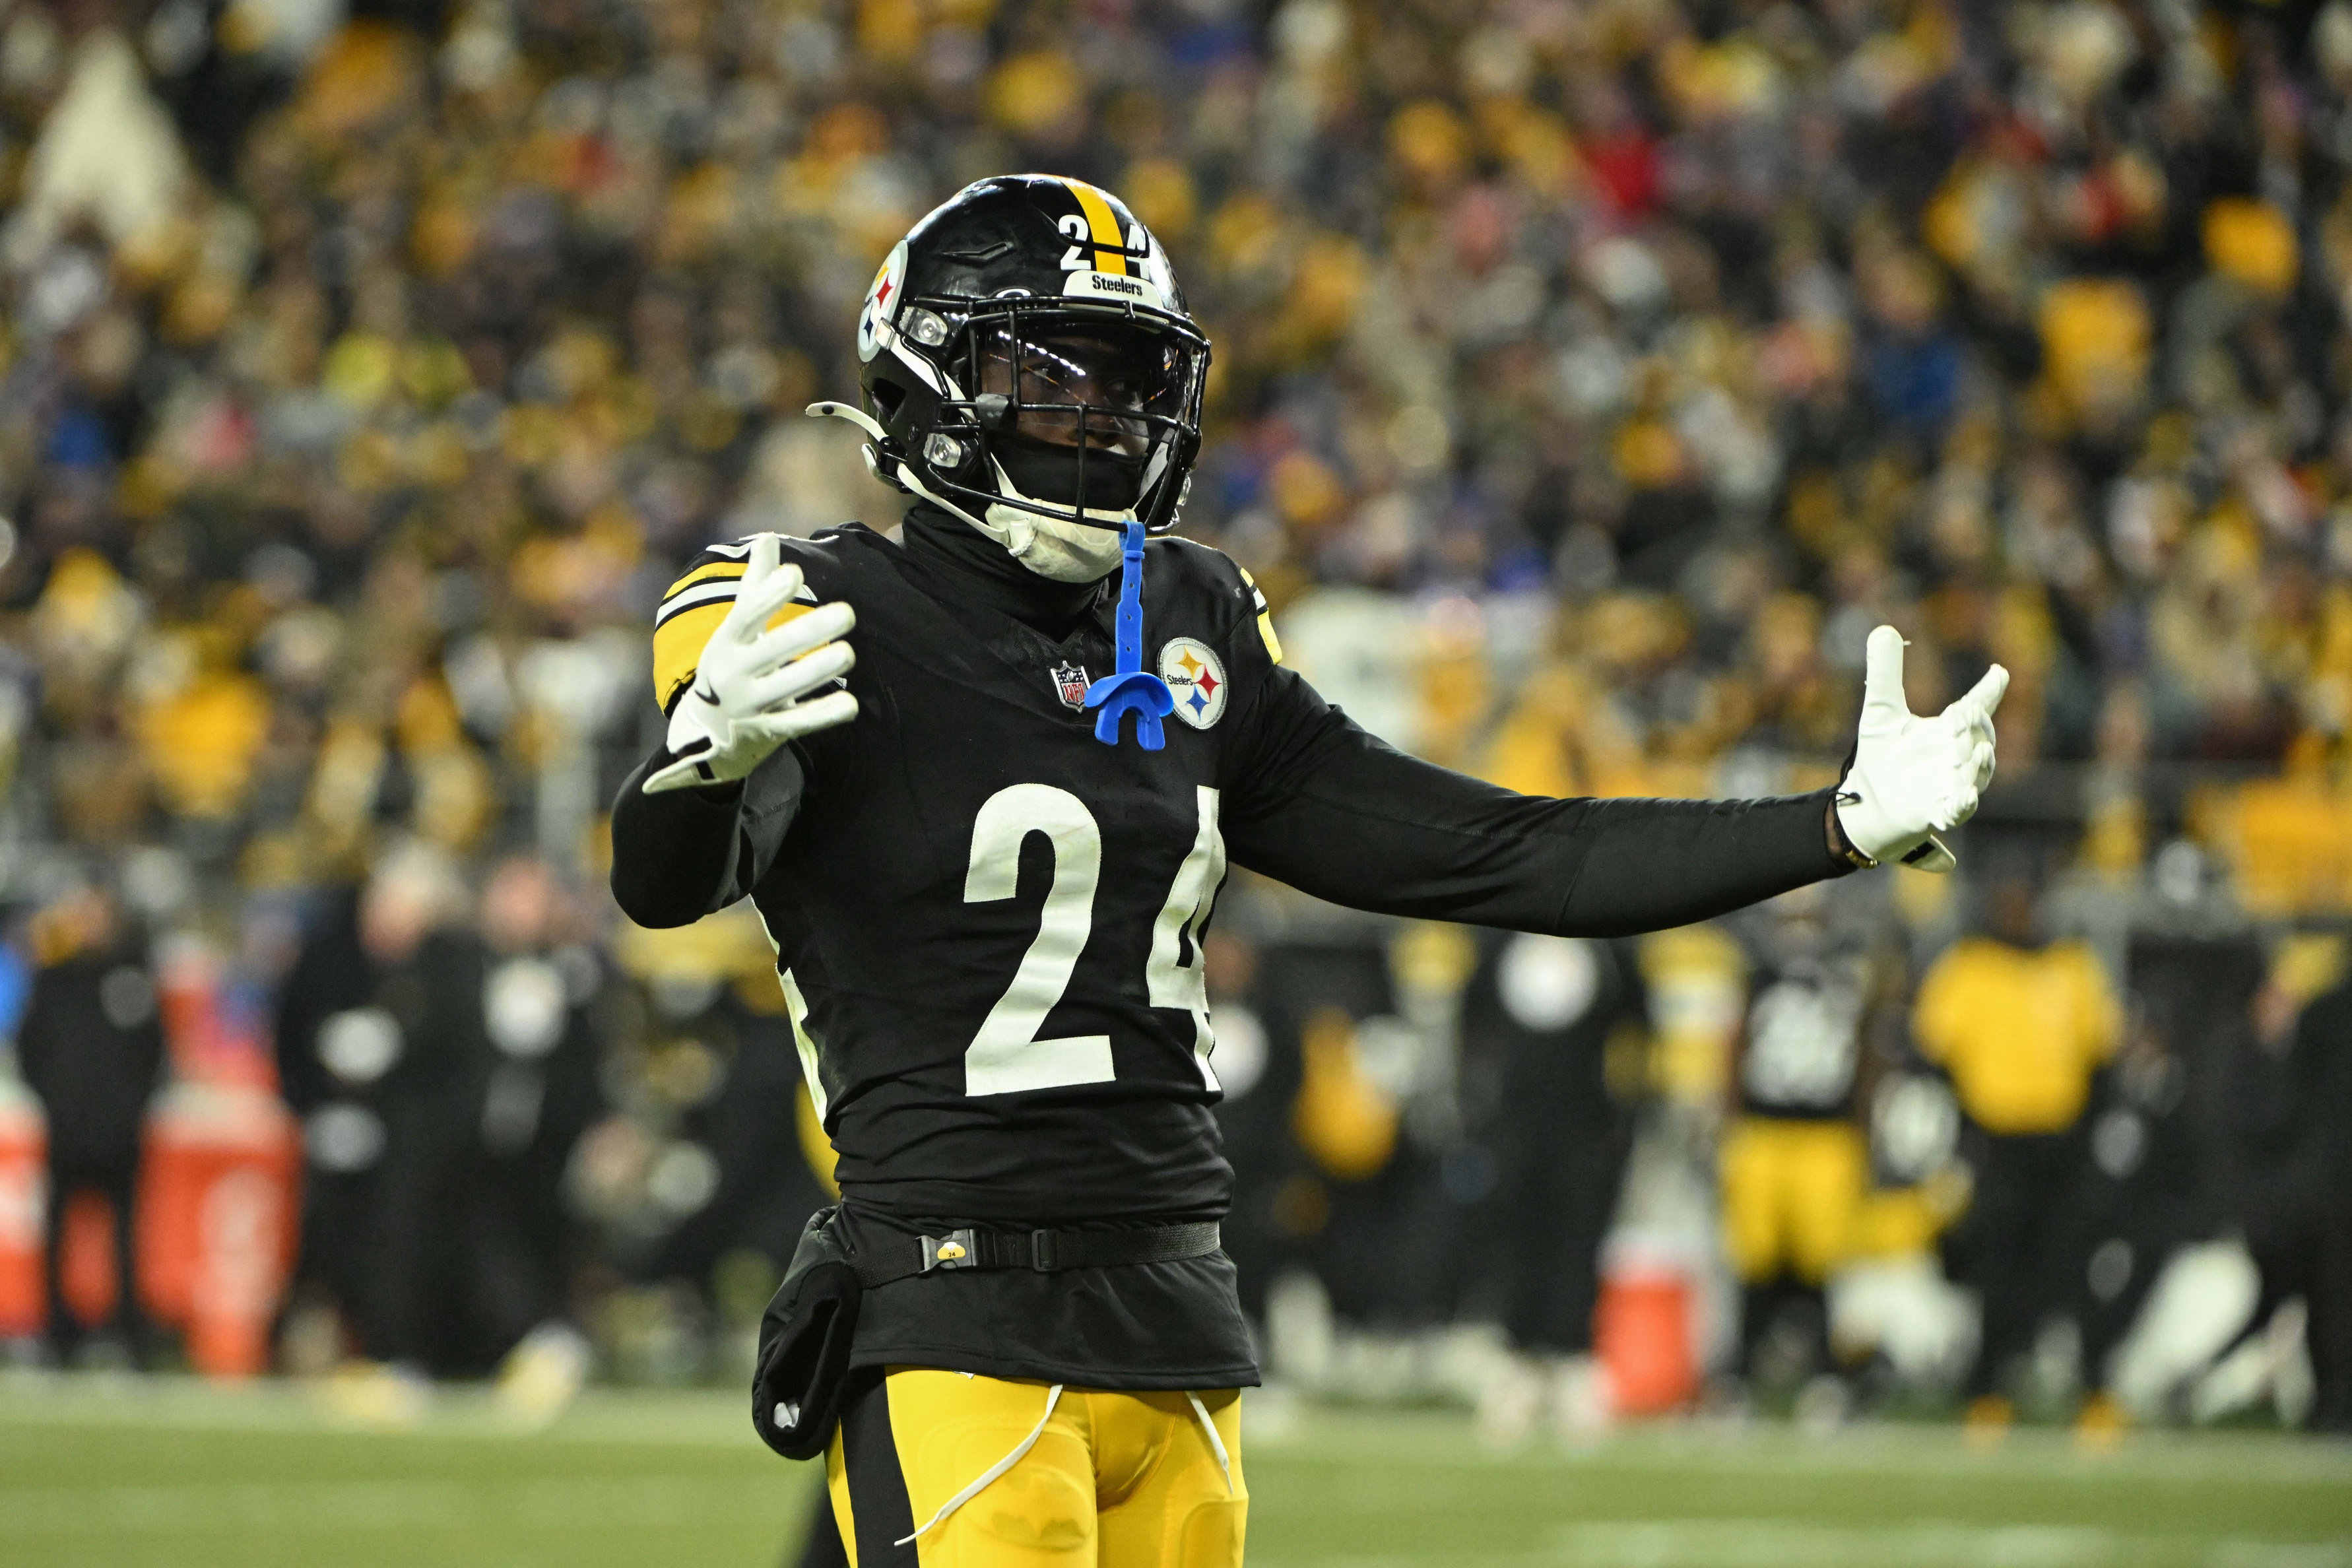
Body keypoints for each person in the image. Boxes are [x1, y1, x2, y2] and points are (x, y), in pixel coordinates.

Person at [608, 174, 2008, 1567]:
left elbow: (1504, 853)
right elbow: (665, 883)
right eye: (1056, 383)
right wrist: (701, 760)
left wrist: (1829, 827)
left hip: (1178, 1317)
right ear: (927, 384)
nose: (1105, 421)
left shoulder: (1192, 619)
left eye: (1126, 382)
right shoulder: (803, 608)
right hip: (951, 1309)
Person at [1912, 859, 2122, 1431]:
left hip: (2062, 1142)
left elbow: (2103, 1055)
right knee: (1998, 1275)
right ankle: (1987, 1394)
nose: (2018, 912)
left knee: (2077, 1273)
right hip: (1997, 1142)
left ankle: (2095, 1393)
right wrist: (1965, 1132)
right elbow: (1934, 1053)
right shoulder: (1969, 966)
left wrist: (2091, 1132)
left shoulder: (2073, 965)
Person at [15, 884, 166, 1367]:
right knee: (57, 1232)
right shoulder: (55, 978)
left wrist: (129, 1109)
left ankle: (126, 1334)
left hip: (120, 1134)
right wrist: (57, 1104)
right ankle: (57, 1332)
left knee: (125, 1237)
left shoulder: (133, 978)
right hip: (67, 1131)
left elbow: (155, 1053)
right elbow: (30, 1048)